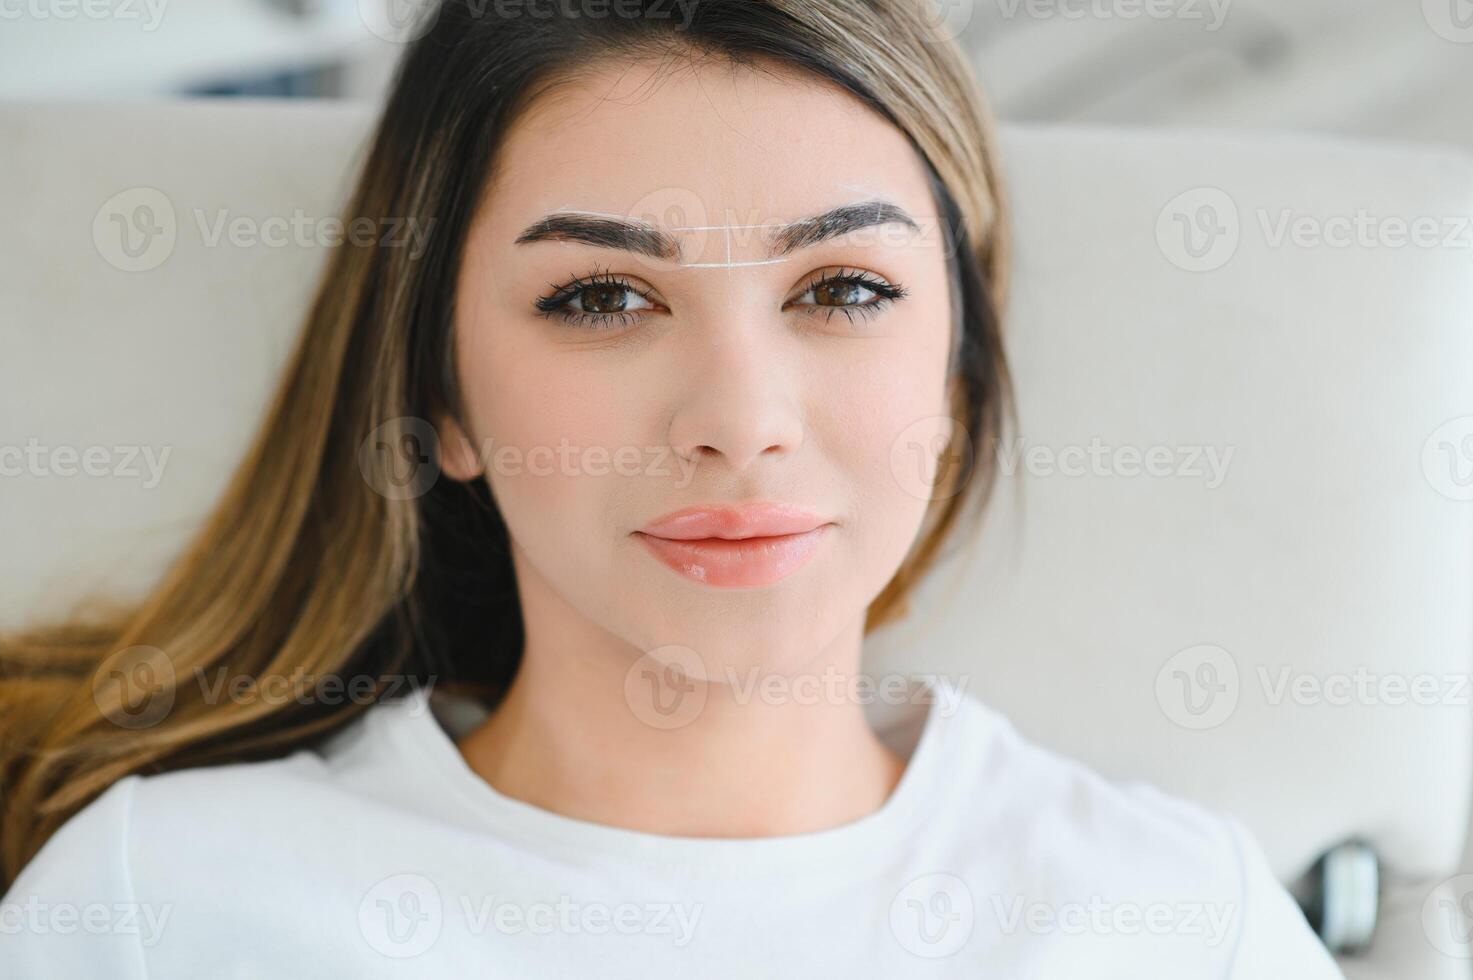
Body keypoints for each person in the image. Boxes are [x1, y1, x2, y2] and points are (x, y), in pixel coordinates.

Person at [0, 0, 1343, 975]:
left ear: (956, 378)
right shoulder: (155, 905)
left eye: (842, 291)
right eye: (599, 297)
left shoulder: (1177, 922)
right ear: (440, 398)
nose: (738, 422)